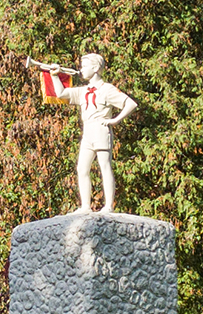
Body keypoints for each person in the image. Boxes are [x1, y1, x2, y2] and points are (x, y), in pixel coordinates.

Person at [24, 52, 139, 213]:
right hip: (88, 131)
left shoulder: (106, 89)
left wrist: (115, 120)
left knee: (104, 166)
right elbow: (62, 94)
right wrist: (55, 76)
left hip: (100, 129)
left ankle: (108, 206)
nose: (81, 69)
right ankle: (86, 206)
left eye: (84, 66)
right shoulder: (83, 90)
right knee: (82, 169)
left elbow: (130, 104)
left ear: (96, 68)